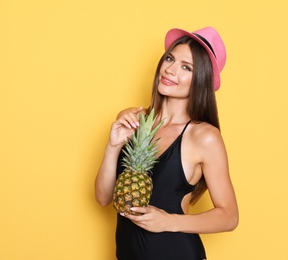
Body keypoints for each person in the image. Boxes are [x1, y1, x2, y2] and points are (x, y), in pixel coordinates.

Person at [95, 27, 239, 260]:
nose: (170, 70)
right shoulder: (134, 122)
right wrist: (112, 147)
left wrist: (167, 221)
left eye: (186, 67)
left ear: (199, 80)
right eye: (170, 58)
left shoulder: (203, 137)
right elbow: (103, 198)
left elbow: (229, 216)